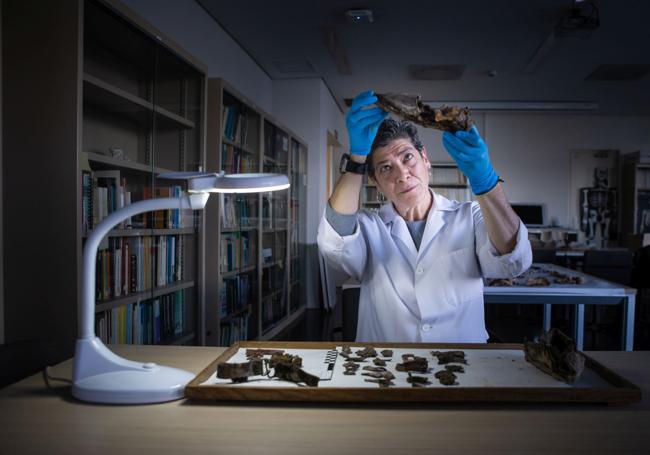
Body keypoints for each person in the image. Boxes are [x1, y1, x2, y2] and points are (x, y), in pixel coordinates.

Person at [317, 90, 532, 342]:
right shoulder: (369, 227)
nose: (402, 174)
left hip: (464, 367)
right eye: (386, 168)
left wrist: (485, 182)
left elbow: (514, 261)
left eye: (407, 157)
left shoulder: (469, 215)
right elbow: (334, 243)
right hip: (385, 369)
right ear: (375, 182)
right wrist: (356, 161)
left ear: (426, 159)